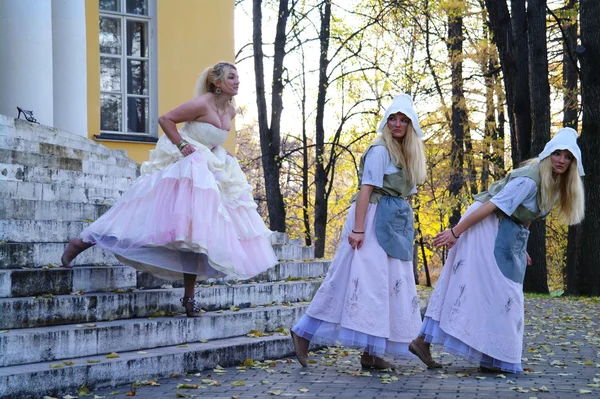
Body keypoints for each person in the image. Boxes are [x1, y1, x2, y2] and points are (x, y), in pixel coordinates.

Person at [61, 62, 278, 317]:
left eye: (238, 77)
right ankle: (81, 242)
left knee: (197, 237)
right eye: (231, 77)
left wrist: (219, 150)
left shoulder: (231, 111)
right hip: (186, 169)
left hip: (210, 169)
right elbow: (166, 119)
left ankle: (189, 298)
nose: (237, 81)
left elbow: (211, 136)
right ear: (217, 83)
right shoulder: (202, 103)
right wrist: (182, 145)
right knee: (137, 216)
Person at [409, 127, 585, 373]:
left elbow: (526, 217)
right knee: (494, 290)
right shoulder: (529, 179)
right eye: (558, 154)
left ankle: (433, 344)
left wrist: (520, 247)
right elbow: (491, 206)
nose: (561, 161)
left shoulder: (555, 183)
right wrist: (456, 232)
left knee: (491, 291)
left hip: (504, 229)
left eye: (568, 157)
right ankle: (486, 354)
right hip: (483, 223)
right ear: (548, 154)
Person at [290, 94, 428, 369]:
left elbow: (402, 194)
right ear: (386, 121)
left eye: (403, 120)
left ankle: (371, 353)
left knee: (384, 285)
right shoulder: (380, 150)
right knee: (352, 279)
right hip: (371, 219)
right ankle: (303, 332)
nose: (397, 124)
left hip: (392, 223)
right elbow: (366, 190)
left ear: (410, 125)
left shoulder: (406, 152)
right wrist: (359, 229)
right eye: (392, 118)